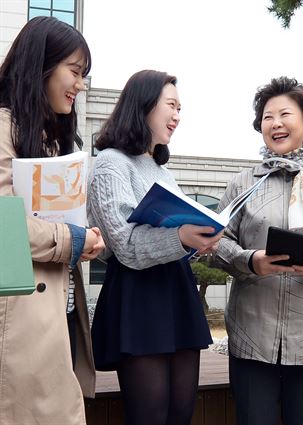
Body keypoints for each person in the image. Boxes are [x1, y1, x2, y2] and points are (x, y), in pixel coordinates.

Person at [213, 76, 303, 425]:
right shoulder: (243, 183)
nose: (275, 124)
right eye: (267, 116)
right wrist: (250, 260)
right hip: (251, 336)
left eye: (285, 114)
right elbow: (216, 242)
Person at [87, 70, 221, 425]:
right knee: (149, 414)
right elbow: (125, 245)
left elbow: (168, 238)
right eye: (171, 105)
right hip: (138, 297)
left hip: (175, 292)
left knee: (180, 413)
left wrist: (198, 241)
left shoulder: (162, 171)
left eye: (181, 108)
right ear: (143, 104)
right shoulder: (110, 163)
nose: (178, 115)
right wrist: (180, 238)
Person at [0, 16, 105, 424]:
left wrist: (84, 237)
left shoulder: (46, 136)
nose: (80, 85)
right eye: (75, 72)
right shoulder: (5, 126)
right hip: (16, 320)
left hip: (47, 318)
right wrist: (74, 240)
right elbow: (5, 225)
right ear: (40, 66)